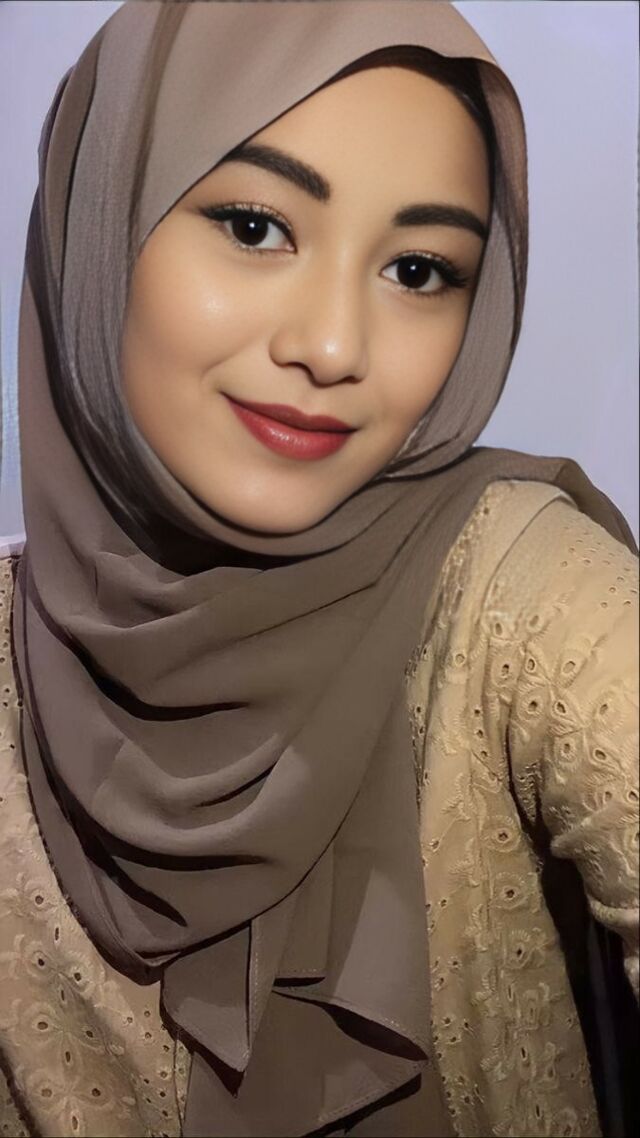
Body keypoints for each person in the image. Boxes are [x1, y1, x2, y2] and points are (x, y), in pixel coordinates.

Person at [0, 2, 637, 1136]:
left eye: (418, 269)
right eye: (255, 227)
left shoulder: (517, 591)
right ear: (100, 217)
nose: (334, 347)